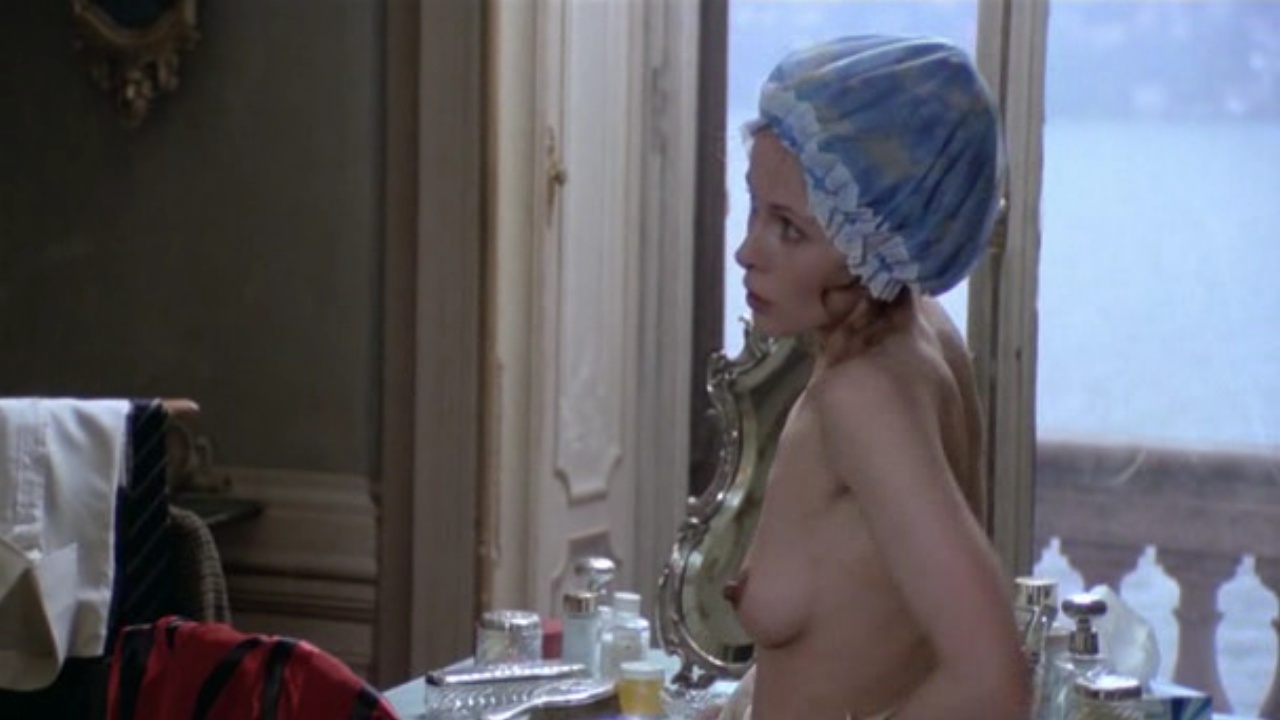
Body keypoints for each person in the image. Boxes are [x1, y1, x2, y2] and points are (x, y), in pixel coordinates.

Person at [712, 36, 1029, 720]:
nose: (745, 251)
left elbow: (993, 682)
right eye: (754, 207)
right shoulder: (920, 334)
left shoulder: (863, 396)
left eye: (790, 229)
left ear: (875, 239)